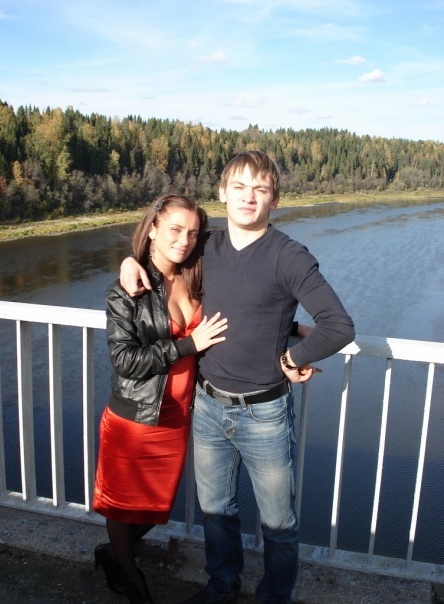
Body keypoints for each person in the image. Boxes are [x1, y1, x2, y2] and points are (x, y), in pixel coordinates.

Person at [119, 151, 355, 604]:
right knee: (216, 513)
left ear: (274, 200)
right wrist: (129, 261)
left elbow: (339, 325)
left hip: (264, 413)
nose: (249, 197)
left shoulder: (289, 256)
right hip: (208, 406)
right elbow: (162, 255)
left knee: (278, 524)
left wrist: (294, 356)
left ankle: (273, 597)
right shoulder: (206, 247)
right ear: (223, 193)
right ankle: (222, 586)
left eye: (260, 189)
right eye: (240, 187)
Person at [93, 194, 228, 604]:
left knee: (156, 506)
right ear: (152, 229)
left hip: (177, 418)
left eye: (193, 233)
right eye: (174, 229)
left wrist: (295, 333)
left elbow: (246, 297)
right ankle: (132, 578)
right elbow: (125, 361)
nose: (184, 240)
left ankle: (112, 554)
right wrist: (188, 345)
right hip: (134, 419)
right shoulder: (127, 290)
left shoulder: (199, 275)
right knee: (122, 506)